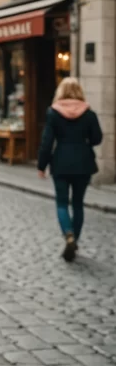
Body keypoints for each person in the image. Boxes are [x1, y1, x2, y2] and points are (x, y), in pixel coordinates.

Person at [37, 78, 103, 262]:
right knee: (78, 204)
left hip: (61, 162)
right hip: (83, 162)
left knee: (61, 203)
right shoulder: (89, 114)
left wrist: (42, 165)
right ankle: (75, 240)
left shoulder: (53, 113)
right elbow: (97, 138)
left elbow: (47, 142)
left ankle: (68, 235)